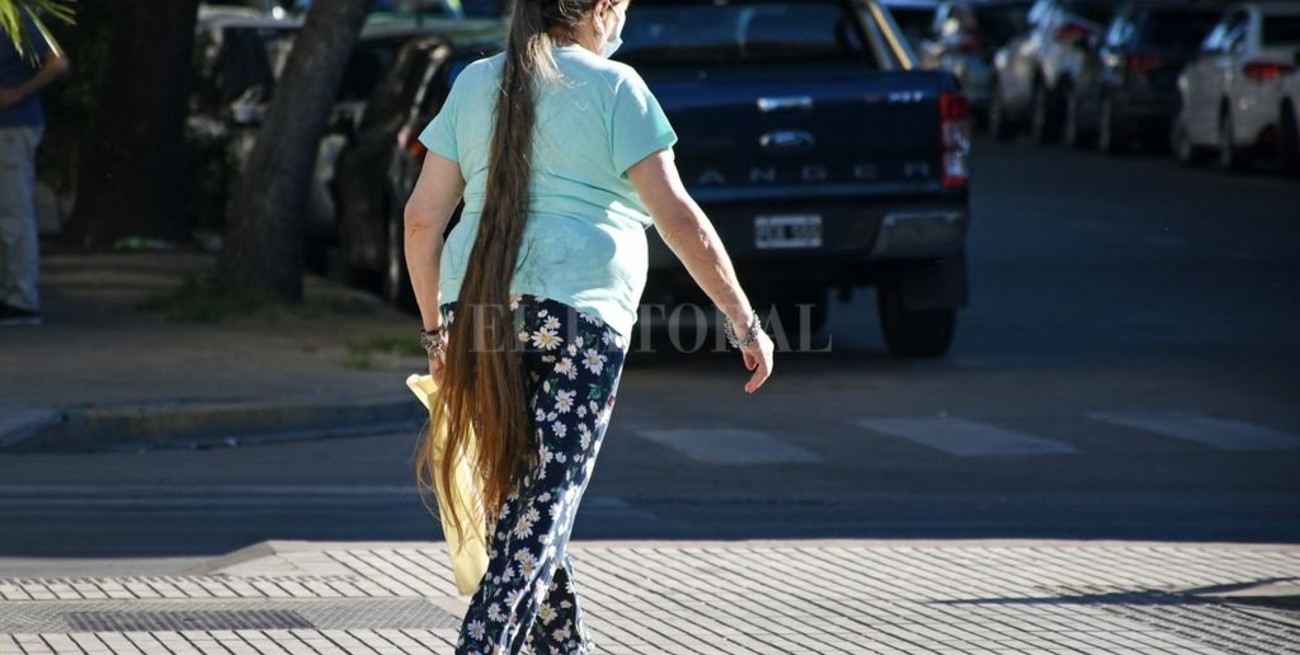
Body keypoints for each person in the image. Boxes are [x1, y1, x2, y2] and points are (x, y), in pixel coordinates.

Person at [403, 0, 774, 652]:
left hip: (475, 307)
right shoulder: (616, 86)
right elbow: (679, 219)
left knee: (524, 505)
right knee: (541, 507)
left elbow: (421, 220)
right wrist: (744, 321)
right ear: (600, 8)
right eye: (623, 10)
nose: (623, 26)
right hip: (579, 313)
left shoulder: (475, 82)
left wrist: (437, 333)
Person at [0, 10, 68, 327]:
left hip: (13, 126)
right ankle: (10, 292)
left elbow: (57, 62)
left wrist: (17, 93)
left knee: (14, 213)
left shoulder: (14, 18)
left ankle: (21, 299)